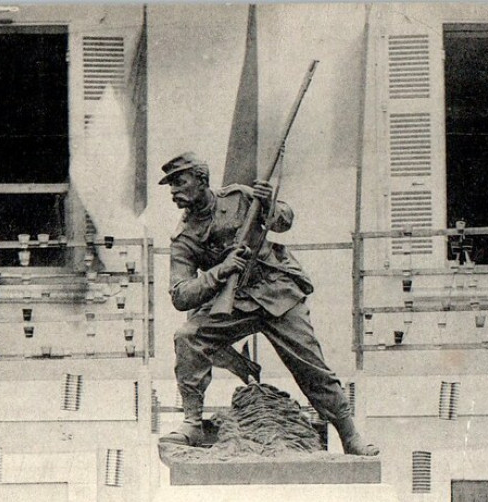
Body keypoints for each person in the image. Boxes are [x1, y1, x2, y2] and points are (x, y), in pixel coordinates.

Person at [158, 152, 378, 456]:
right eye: (171, 186)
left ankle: (349, 434)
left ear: (201, 179)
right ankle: (192, 422)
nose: (174, 192)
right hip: (233, 301)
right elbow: (181, 295)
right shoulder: (184, 237)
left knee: (310, 364)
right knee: (188, 337)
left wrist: (268, 205)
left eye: (180, 182)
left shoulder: (239, 197)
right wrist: (221, 270)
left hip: (276, 291)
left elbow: (284, 220)